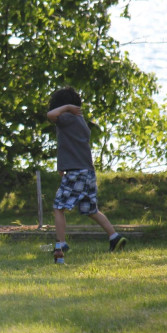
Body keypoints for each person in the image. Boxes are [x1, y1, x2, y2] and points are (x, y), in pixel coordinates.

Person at [47, 87, 127, 264]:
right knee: (91, 210)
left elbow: (50, 115)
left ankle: (61, 244)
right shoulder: (80, 120)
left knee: (58, 207)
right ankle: (114, 237)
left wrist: (66, 107)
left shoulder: (66, 117)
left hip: (76, 173)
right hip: (87, 172)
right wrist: (62, 166)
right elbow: (70, 146)